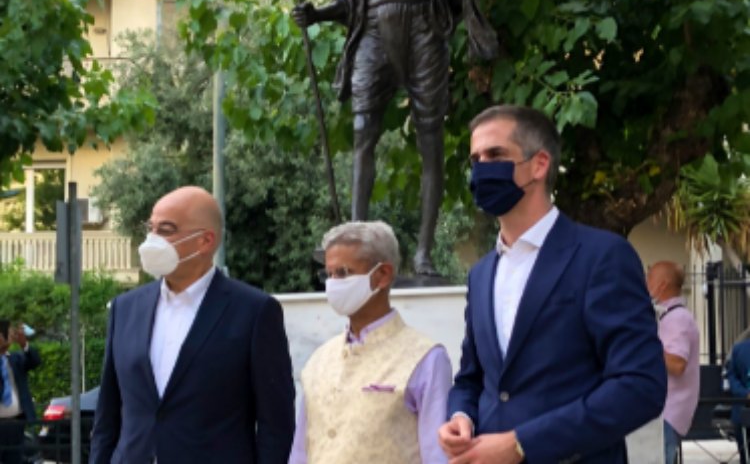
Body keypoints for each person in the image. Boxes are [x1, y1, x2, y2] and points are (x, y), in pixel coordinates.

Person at [291, 0, 497, 276]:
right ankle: (354, 249)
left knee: (430, 138)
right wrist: (318, 14)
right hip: (374, 31)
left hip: (424, 25)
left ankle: (423, 253)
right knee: (364, 129)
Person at [438, 105, 667, 463]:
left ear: (539, 164)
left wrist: (522, 444)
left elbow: (640, 387)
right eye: (476, 159)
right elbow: (472, 378)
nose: (482, 168)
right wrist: (460, 417)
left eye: (495, 154)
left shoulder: (601, 257)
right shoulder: (481, 274)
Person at [90, 186, 295, 464]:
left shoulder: (254, 312)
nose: (152, 239)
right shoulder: (126, 309)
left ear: (205, 241)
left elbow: (276, 424)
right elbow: (108, 416)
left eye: (166, 229)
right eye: (150, 228)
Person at [288, 220, 452, 463]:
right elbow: (301, 451)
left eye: (343, 273)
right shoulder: (319, 360)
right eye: (328, 274)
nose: (332, 284)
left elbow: (437, 455)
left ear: (382, 275)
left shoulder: (425, 358)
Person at [646, 260, 700, 464]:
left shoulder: (677, 319)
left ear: (662, 285)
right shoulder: (668, 317)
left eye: (649, 278)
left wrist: (644, 349)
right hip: (665, 413)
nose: (645, 283)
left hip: (667, 413)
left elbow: (677, 364)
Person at [0, 322, 40, 464]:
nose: (10, 337)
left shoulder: (16, 359)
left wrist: (25, 345)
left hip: (16, 422)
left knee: (14, 459)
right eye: (7, 334)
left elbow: (34, 361)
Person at [727, 336, 750, 464]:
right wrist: (745, 394)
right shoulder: (739, 349)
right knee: (745, 455)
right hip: (743, 411)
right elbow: (731, 376)